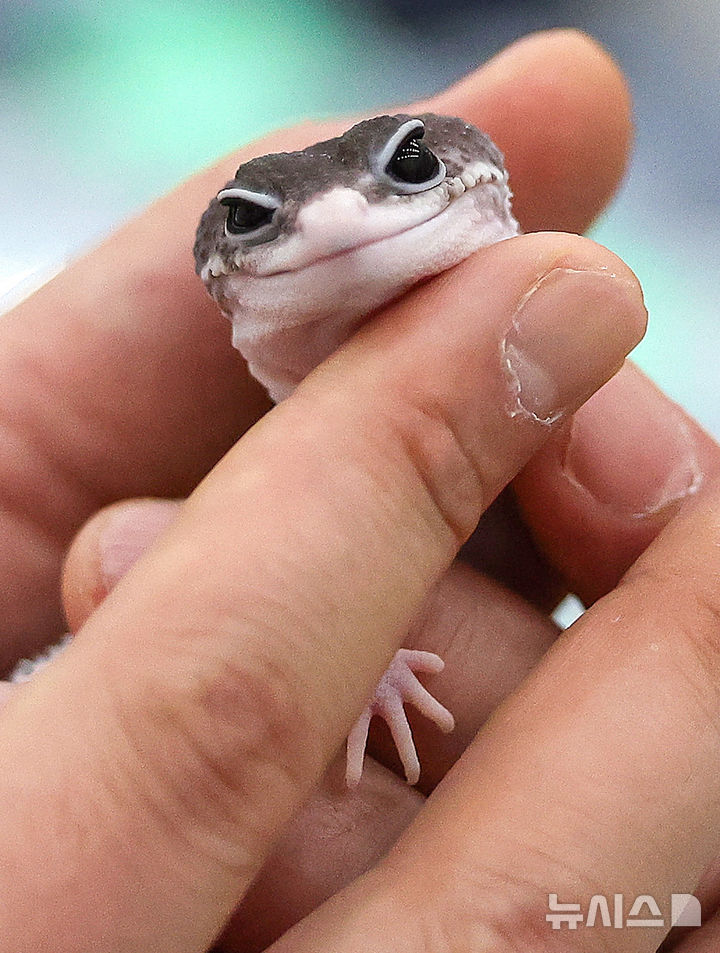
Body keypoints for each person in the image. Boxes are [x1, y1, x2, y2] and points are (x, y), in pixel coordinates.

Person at [0, 28, 717, 953]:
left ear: (487, 187)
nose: (340, 219)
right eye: (258, 217)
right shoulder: (216, 483)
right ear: (224, 286)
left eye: (407, 167)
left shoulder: (574, 374)